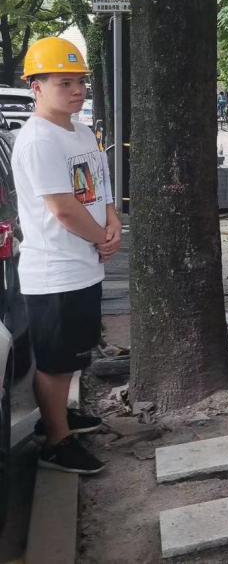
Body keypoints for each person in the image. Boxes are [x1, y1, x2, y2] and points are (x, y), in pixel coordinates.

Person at [13, 37, 121, 474]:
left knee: (74, 354)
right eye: (64, 83)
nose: (77, 91)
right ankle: (56, 442)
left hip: (84, 265)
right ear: (36, 87)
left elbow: (99, 184)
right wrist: (101, 239)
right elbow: (62, 208)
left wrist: (112, 221)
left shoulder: (80, 131)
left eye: (80, 82)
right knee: (55, 364)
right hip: (54, 271)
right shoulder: (38, 140)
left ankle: (60, 416)